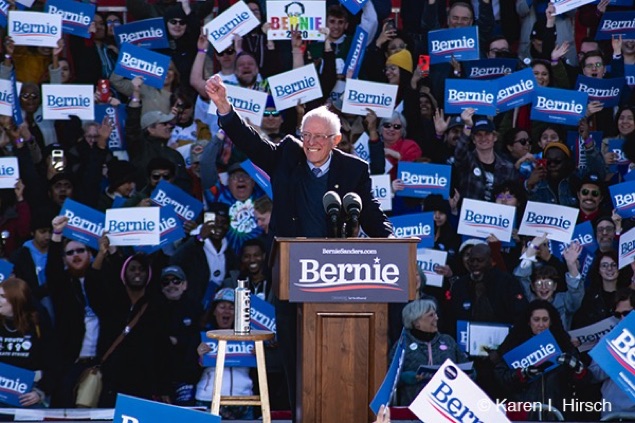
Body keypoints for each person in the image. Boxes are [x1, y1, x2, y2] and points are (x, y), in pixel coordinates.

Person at [205, 74, 393, 419]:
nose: (311, 142)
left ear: (336, 139)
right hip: (291, 272)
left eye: (320, 136)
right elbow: (253, 142)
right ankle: (300, 414)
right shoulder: (288, 154)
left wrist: (395, 249)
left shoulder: (354, 169)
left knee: (342, 350)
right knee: (295, 352)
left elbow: (371, 216)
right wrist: (224, 107)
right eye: (307, 134)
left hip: (341, 279)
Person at [494, 300, 588, 421]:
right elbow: (500, 377)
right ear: (529, 322)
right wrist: (521, 374)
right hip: (525, 414)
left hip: (557, 413)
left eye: (545, 320)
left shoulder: (563, 343)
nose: (541, 324)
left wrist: (578, 368)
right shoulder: (514, 343)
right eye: (536, 319)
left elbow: (583, 382)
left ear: (551, 322)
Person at [390, 298, 472, 406]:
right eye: (431, 315)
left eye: (436, 314)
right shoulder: (402, 344)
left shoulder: (448, 341)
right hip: (414, 407)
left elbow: (471, 372)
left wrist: (461, 375)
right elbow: (388, 378)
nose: (436, 318)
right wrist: (405, 378)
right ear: (416, 322)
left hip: (449, 406)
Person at [196, 288, 254, 419]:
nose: (226, 311)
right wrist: (197, 357)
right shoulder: (201, 336)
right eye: (222, 307)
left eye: (232, 308)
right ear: (214, 311)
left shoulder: (251, 337)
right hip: (208, 400)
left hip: (244, 401)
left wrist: (261, 354)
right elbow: (185, 371)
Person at [0, 278, 55, 408]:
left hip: (28, 393)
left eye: (2, 296)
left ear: (16, 299)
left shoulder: (37, 323)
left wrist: (40, 392)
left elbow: (53, 362)